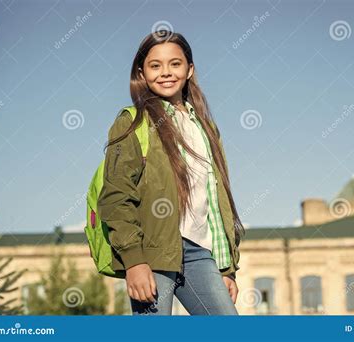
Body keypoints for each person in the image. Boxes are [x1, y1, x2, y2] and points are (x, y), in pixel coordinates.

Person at [97, 30, 244, 315]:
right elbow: (116, 197)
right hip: (151, 251)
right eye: (155, 65)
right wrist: (134, 261)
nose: (166, 72)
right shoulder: (132, 122)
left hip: (200, 254)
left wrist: (227, 269)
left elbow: (217, 203)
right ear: (142, 72)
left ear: (189, 70)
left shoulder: (206, 128)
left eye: (175, 64)